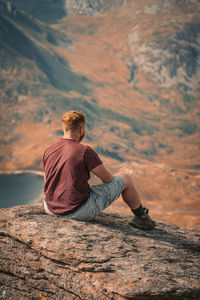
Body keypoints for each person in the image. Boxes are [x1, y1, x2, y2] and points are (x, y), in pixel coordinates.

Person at [40, 110, 156, 230]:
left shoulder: (50, 149)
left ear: (63, 128)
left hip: (50, 208)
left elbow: (47, 180)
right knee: (125, 177)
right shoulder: (84, 151)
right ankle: (142, 218)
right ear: (81, 129)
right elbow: (108, 179)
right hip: (77, 211)